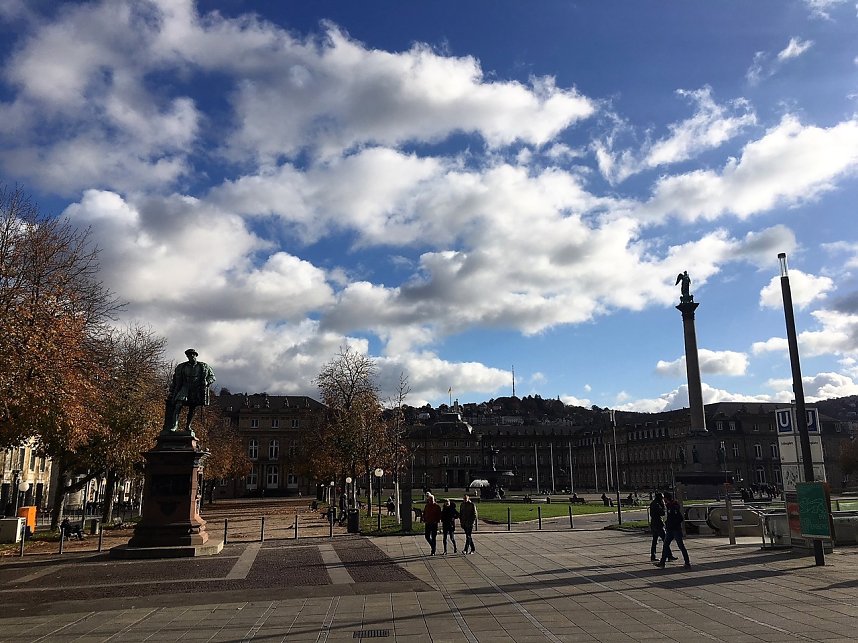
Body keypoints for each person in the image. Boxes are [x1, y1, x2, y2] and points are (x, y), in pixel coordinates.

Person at [163, 348, 216, 434]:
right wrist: (172, 390)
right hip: (185, 387)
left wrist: (207, 382)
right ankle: (174, 426)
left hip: (196, 388)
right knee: (178, 404)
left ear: (196, 355)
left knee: (193, 408)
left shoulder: (204, 366)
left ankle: (188, 426)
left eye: (192, 355)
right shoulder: (181, 367)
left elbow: (212, 377)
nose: (191, 356)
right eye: (189, 355)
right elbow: (175, 380)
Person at [655, 492, 691, 569]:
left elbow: (680, 518)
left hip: (675, 530)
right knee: (665, 545)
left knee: (681, 546)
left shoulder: (674, 507)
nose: (663, 499)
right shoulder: (668, 506)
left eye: (664, 497)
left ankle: (687, 563)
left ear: (667, 498)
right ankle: (662, 562)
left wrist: (672, 524)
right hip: (670, 529)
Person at [648, 492, 675, 562]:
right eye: (662, 498)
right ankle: (669, 555)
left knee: (654, 541)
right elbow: (662, 513)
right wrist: (663, 505)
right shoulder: (657, 505)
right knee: (665, 540)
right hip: (658, 524)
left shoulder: (653, 503)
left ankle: (653, 556)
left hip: (653, 523)